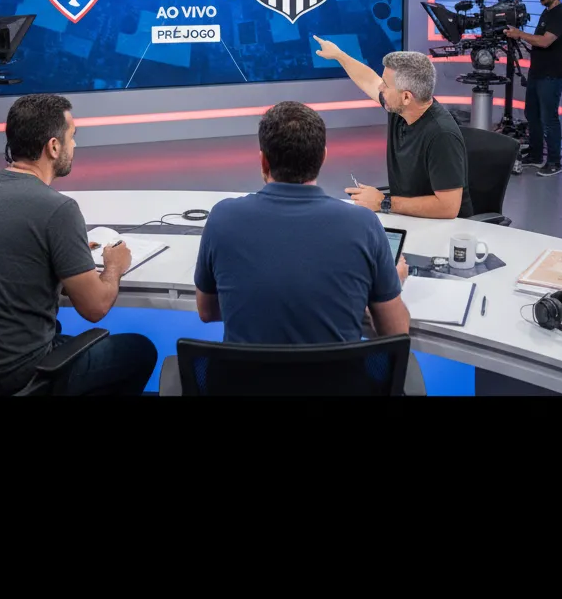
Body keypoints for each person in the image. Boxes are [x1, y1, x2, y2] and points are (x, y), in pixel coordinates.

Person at [157, 100, 421, 395]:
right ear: (322, 157)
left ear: (263, 161)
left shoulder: (222, 218)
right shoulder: (363, 223)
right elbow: (395, 332)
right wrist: (389, 286)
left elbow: (207, 311)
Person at [0, 93, 158, 394]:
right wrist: (114, 267)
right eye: (72, 137)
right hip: (20, 373)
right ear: (53, 147)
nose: (75, 146)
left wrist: (63, 255)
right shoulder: (58, 209)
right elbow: (95, 307)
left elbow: (9, 256)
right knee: (140, 350)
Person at [313, 43, 472, 219]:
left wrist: (384, 202)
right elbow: (369, 80)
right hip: (408, 217)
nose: (381, 89)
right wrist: (339, 55)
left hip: (442, 229)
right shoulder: (401, 110)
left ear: (406, 97)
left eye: (386, 86)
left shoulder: (442, 135)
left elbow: (448, 208)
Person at [505, 0, 562, 178]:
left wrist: (520, 34)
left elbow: (544, 42)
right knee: (532, 115)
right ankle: (535, 155)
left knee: (549, 119)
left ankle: (554, 161)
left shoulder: (561, 15)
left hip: (552, 76)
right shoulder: (546, 13)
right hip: (537, 73)